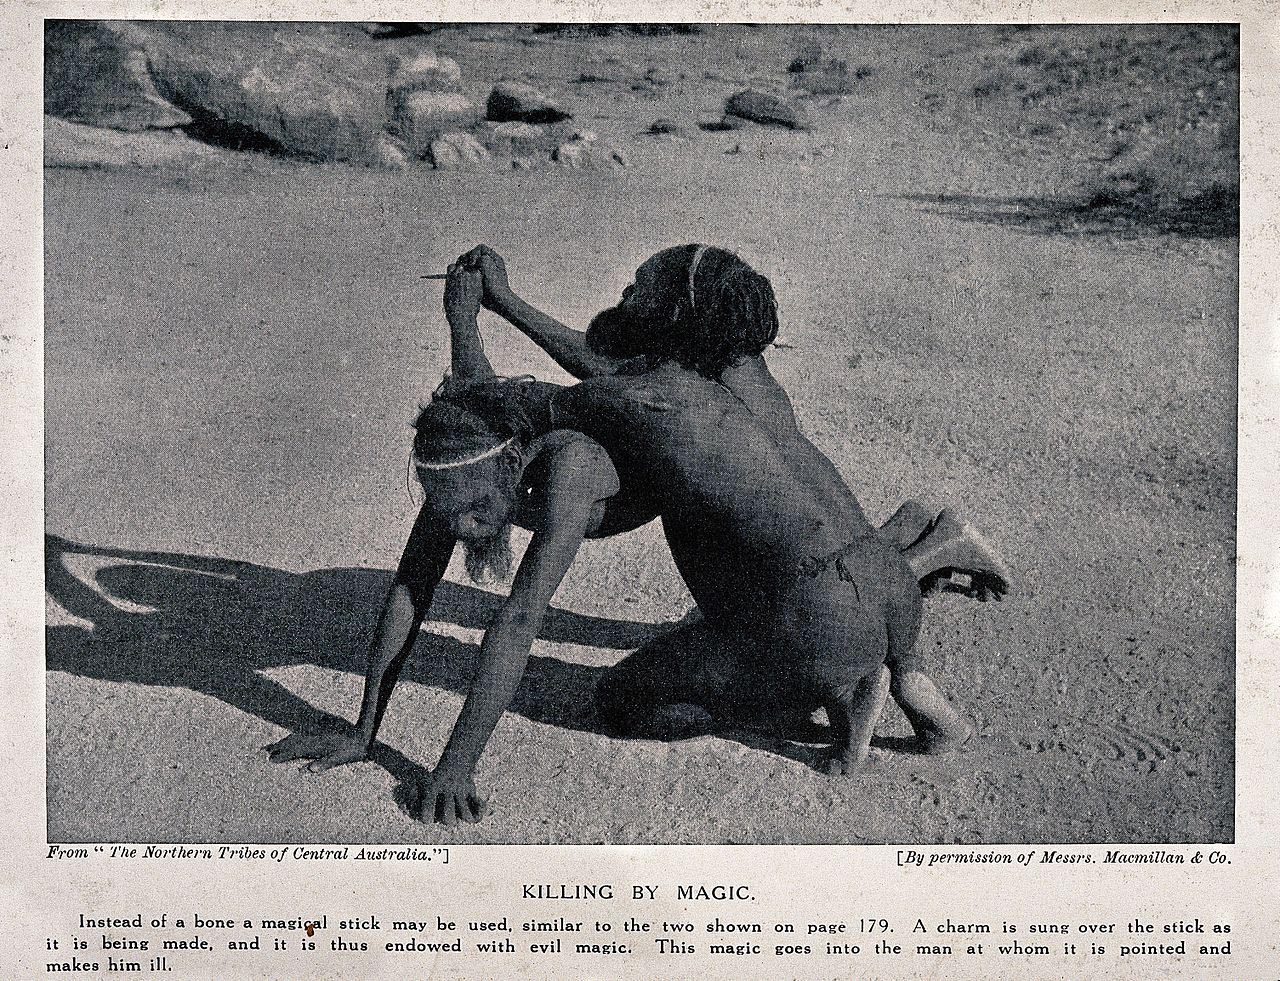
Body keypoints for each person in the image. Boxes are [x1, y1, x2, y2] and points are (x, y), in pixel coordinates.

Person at [268, 251, 999, 825]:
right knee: (749, 550)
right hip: (883, 590)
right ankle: (899, 631)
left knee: (624, 700)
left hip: (815, 626)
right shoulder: (734, 390)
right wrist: (474, 313)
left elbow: (517, 610)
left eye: (638, 287)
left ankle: (836, 685)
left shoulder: (583, 457)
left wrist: (455, 764)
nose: (460, 533)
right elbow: (476, 447)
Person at [456, 243, 1009, 601]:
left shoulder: (704, 389)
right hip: (825, 531)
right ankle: (910, 530)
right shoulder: (734, 365)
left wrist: (495, 308)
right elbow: (603, 366)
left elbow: (601, 373)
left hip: (816, 563)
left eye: (641, 290)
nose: (628, 298)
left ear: (677, 314)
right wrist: (506, 303)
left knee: (818, 600)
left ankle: (935, 549)